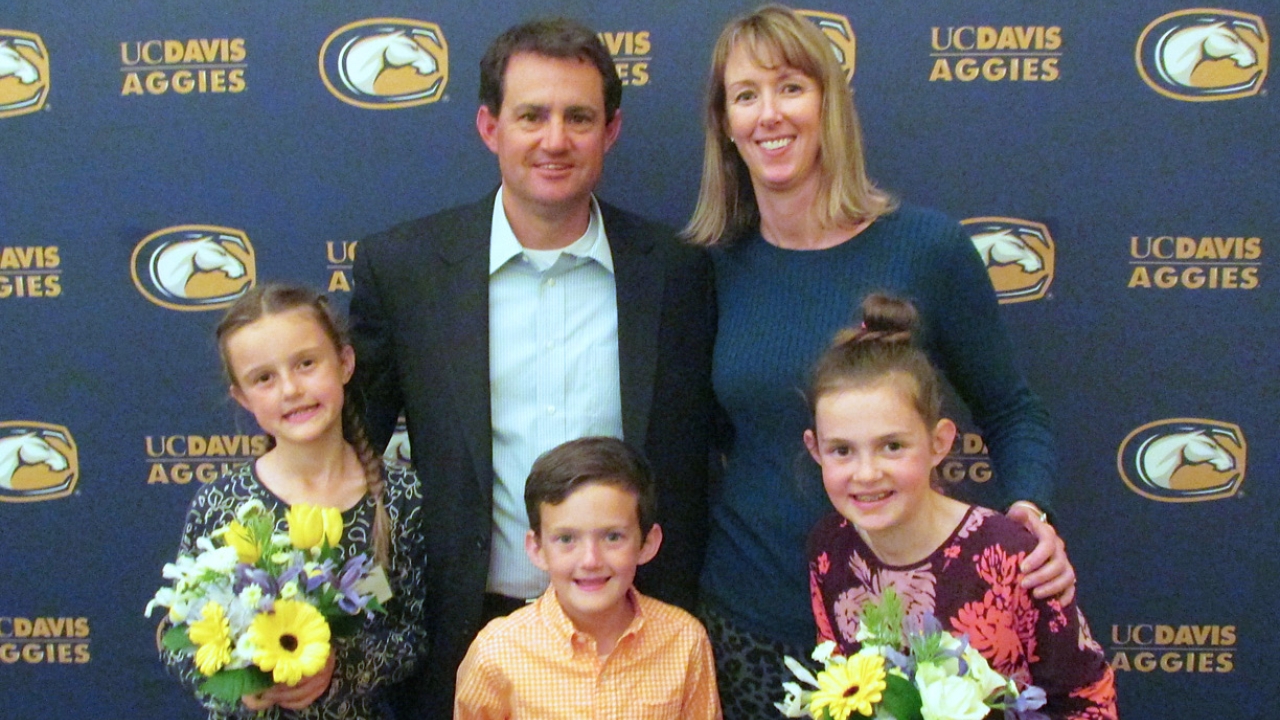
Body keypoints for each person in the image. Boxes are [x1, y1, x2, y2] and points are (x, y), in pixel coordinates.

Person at [682, 5, 1076, 716]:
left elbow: (1014, 411)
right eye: (746, 95)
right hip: (748, 623)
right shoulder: (709, 269)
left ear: (830, 103)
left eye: (791, 87)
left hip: (908, 631)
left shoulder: (926, 249)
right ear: (725, 124)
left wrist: (1029, 515)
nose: (769, 114)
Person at [349, 18, 715, 718]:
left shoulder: (678, 272)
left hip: (644, 645)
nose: (555, 140)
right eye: (531, 115)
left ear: (610, 131)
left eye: (579, 117)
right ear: (490, 127)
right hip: (465, 633)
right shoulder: (405, 269)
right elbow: (346, 451)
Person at [804, 294, 1117, 718]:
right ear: (815, 450)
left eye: (892, 446)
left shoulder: (1010, 557)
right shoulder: (829, 550)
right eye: (842, 450)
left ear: (939, 443)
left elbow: (1088, 700)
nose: (866, 473)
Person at [161, 283, 429, 719]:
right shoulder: (224, 503)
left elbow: (412, 638)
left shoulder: (402, 498)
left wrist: (336, 668)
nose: (290, 389)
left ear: (344, 363)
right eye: (263, 378)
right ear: (243, 398)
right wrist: (240, 683)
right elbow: (180, 639)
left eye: (306, 364)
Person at [454, 437, 721, 720]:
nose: (591, 560)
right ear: (537, 548)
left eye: (613, 536)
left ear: (647, 543)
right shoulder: (496, 653)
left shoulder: (684, 640)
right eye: (567, 539)